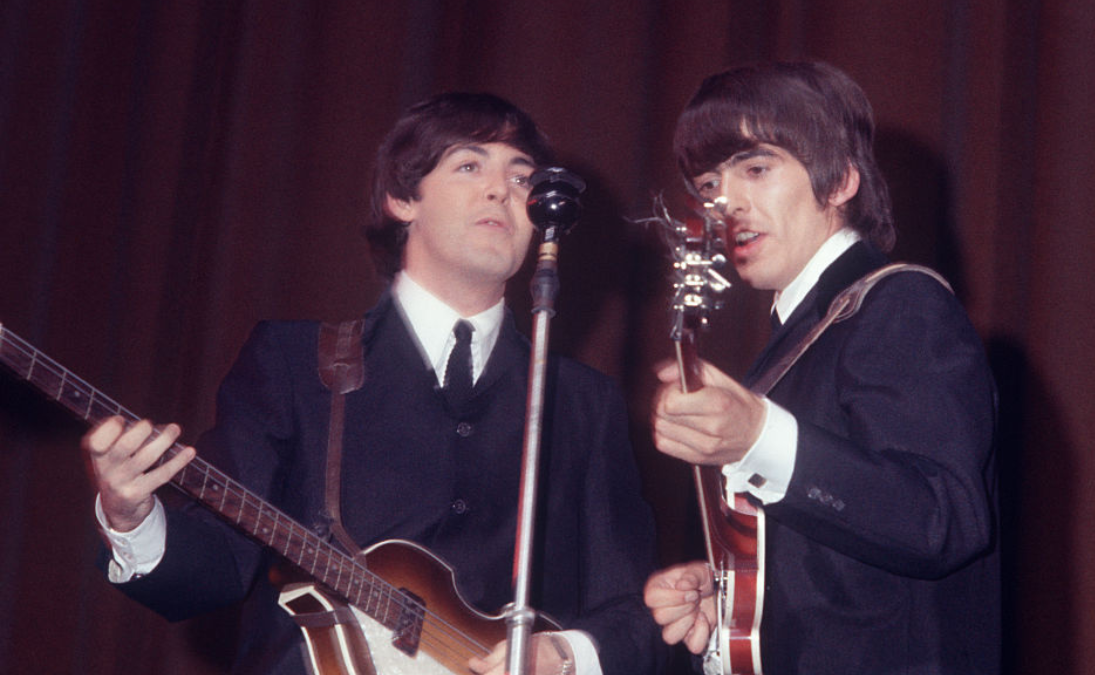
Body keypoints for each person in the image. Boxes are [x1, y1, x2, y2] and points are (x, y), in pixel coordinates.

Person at [84, 92, 663, 675]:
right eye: (469, 165)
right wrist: (130, 518)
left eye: (521, 178)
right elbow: (215, 568)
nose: (500, 191)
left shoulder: (582, 402)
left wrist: (564, 653)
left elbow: (636, 613)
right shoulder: (293, 363)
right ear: (402, 199)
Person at [643, 62, 999, 674]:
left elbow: (941, 518)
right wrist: (735, 592)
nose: (727, 203)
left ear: (839, 181)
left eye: (756, 168)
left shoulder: (900, 302)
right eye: (708, 184)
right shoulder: (794, 343)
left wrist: (759, 438)